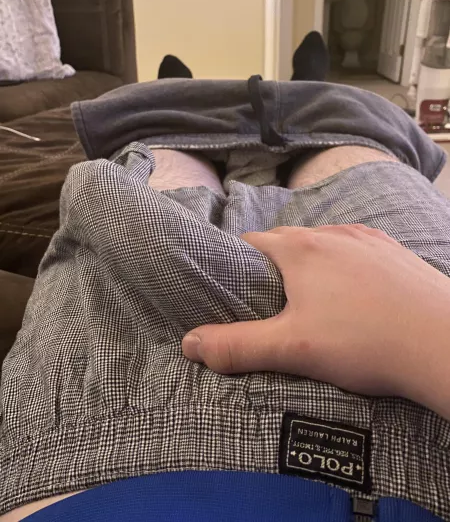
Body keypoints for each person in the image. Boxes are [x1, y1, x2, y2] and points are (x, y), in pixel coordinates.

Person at [1, 33, 450, 522]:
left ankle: (176, 105)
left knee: (165, 158)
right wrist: (431, 330)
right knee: (359, 154)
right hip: (424, 439)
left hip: (95, 437)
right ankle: (308, 99)